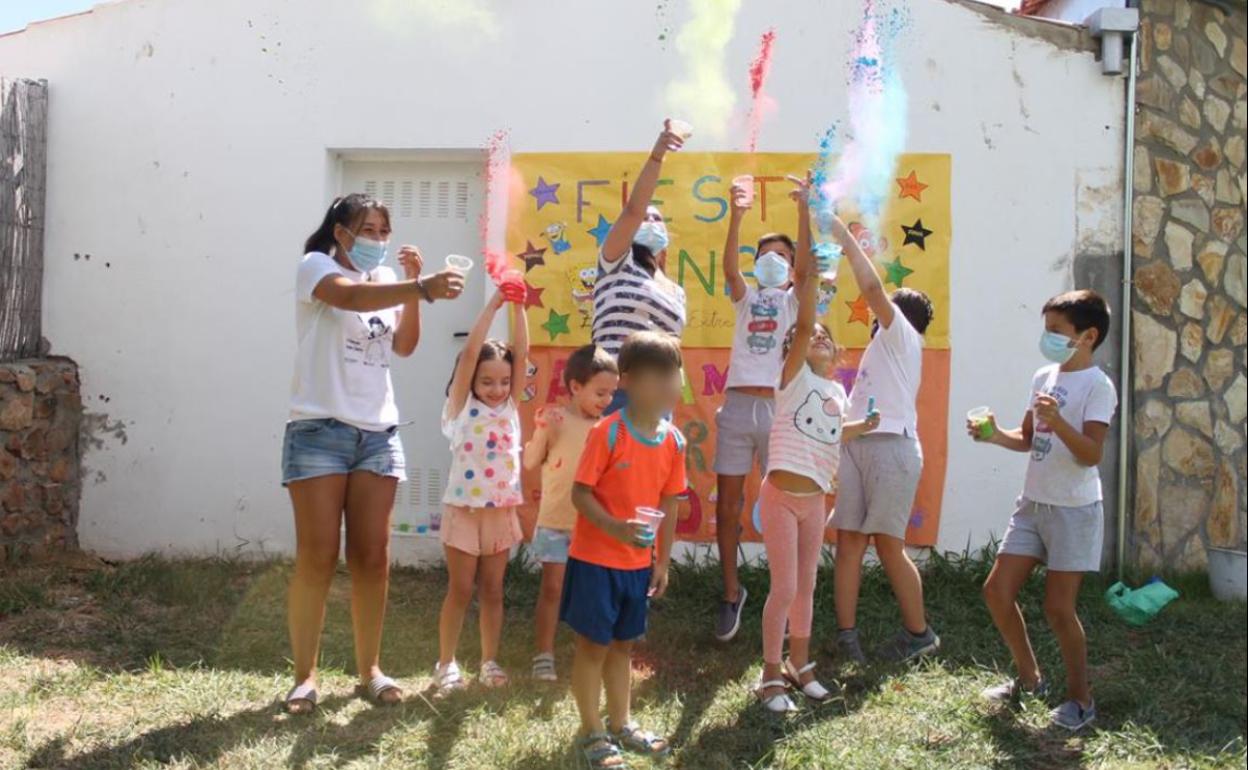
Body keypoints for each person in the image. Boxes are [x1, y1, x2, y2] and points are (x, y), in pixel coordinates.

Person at [282, 193, 464, 713]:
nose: (378, 240)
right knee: (318, 556)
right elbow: (349, 298)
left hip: (378, 434)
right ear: (341, 233)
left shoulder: (387, 279)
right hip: (318, 429)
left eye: (385, 231)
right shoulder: (315, 266)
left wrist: (413, 288)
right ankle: (304, 677)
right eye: (368, 230)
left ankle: (371, 671)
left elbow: (403, 346)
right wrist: (421, 287)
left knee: (372, 558)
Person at [753, 175, 880, 711]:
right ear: (795, 350)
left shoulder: (834, 391)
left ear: (836, 353)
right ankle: (769, 675)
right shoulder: (792, 379)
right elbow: (804, 323)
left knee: (806, 587)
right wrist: (808, 270)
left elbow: (829, 433)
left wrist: (861, 428)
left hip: (815, 501)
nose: (818, 338)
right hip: (781, 496)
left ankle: (800, 664)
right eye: (809, 339)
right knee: (783, 588)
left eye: (827, 338)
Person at [976, 289, 1116, 732]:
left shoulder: (1098, 386)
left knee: (1058, 609)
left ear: (1088, 336)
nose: (1047, 338)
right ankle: (1030, 678)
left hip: (1074, 510)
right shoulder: (1043, 376)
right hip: (1032, 504)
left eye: (1057, 330)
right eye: (1046, 329)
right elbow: (1027, 438)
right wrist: (994, 434)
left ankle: (1080, 699)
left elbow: (1091, 454)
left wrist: (1060, 422)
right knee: (997, 592)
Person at [562, 331, 686, 769]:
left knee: (623, 647)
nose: (668, 384)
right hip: (595, 562)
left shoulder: (674, 441)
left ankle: (621, 723)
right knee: (593, 647)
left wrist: (662, 561)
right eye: (657, 376)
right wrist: (615, 528)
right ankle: (591, 730)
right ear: (628, 381)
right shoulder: (608, 432)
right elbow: (580, 494)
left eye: (673, 374)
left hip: (638, 565)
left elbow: (669, 502)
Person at [830, 214, 939, 664]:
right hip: (857, 445)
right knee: (849, 541)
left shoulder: (903, 337)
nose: (879, 314)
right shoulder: (884, 347)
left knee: (887, 545)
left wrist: (844, 238)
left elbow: (873, 290)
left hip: (893, 447)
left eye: (888, 308)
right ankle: (846, 636)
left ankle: (920, 635)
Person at [712, 178, 801, 642]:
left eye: (781, 256)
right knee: (729, 505)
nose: (772, 260)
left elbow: (809, 273)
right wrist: (737, 214)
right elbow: (729, 269)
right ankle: (732, 593)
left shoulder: (794, 301)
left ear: (792, 268)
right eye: (764, 254)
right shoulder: (746, 298)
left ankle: (783, 601)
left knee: (780, 508)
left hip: (778, 411)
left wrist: (804, 212)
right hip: (736, 407)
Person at [434, 288, 529, 694]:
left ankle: (489, 661)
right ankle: (446, 663)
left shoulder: (510, 408)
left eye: (504, 381)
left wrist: (520, 306)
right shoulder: (460, 407)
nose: (496, 389)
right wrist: (493, 305)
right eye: (487, 381)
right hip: (464, 512)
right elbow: (472, 352)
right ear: (470, 378)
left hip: (499, 513)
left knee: (492, 591)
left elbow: (522, 354)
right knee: (460, 589)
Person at [523, 344, 620, 682]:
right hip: (556, 522)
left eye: (612, 393)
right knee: (552, 589)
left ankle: (589, 655)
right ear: (576, 386)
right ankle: (544, 655)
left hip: (593, 527)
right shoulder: (556, 420)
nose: (607, 400)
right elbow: (530, 462)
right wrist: (543, 433)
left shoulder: (609, 428)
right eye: (600, 392)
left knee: (592, 594)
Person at [594, 120, 688, 415]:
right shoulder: (616, 261)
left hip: (659, 399)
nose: (649, 222)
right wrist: (657, 156)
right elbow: (634, 209)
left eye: (657, 219)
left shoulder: (676, 291)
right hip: (614, 392)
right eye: (644, 219)